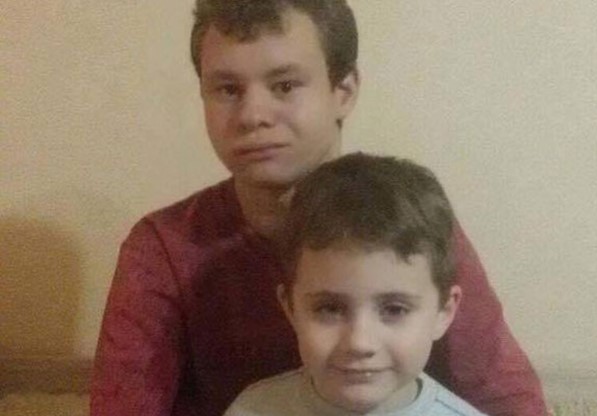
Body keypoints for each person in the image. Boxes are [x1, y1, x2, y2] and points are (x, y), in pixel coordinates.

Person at [90, 1, 546, 415]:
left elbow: (508, 401)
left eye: (285, 85)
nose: (252, 115)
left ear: (343, 90)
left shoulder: (410, 228)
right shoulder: (163, 249)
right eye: (227, 89)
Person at [224, 153, 486, 416]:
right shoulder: (250, 411)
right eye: (329, 308)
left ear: (444, 312)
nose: (360, 343)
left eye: (395, 309)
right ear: (290, 308)